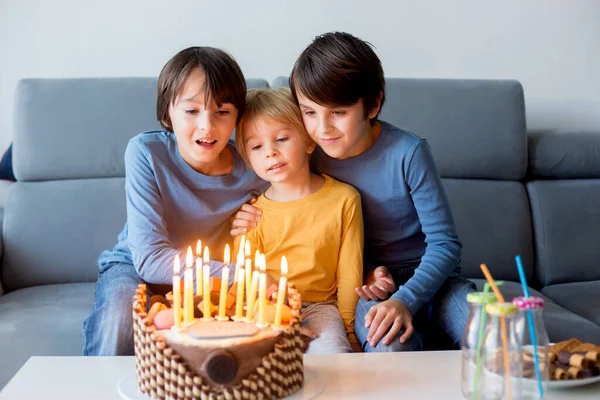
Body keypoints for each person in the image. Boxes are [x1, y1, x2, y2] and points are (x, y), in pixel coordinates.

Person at [231, 32, 476, 352]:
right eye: (309, 112)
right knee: (388, 347)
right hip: (368, 285)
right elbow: (263, 177)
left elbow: (445, 244)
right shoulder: (305, 151)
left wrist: (405, 299)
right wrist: (242, 211)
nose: (322, 128)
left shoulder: (408, 152)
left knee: (491, 333)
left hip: (435, 281)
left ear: (372, 104)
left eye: (339, 112)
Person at [83, 46, 268, 356]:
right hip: (135, 268)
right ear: (167, 112)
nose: (207, 126)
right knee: (119, 318)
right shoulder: (146, 152)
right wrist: (242, 274)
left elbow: (298, 204)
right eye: (192, 111)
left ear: (238, 116)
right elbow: (150, 259)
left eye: (222, 112)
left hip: (206, 278)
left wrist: (260, 218)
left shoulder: (257, 168)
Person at [235, 87, 363, 353]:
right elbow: (244, 279)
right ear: (249, 160)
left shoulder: (344, 200)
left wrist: (351, 332)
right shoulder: (251, 215)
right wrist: (275, 314)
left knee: (335, 359)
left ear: (308, 141)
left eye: (281, 138)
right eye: (257, 146)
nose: (270, 152)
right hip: (268, 308)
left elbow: (350, 274)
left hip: (321, 309)